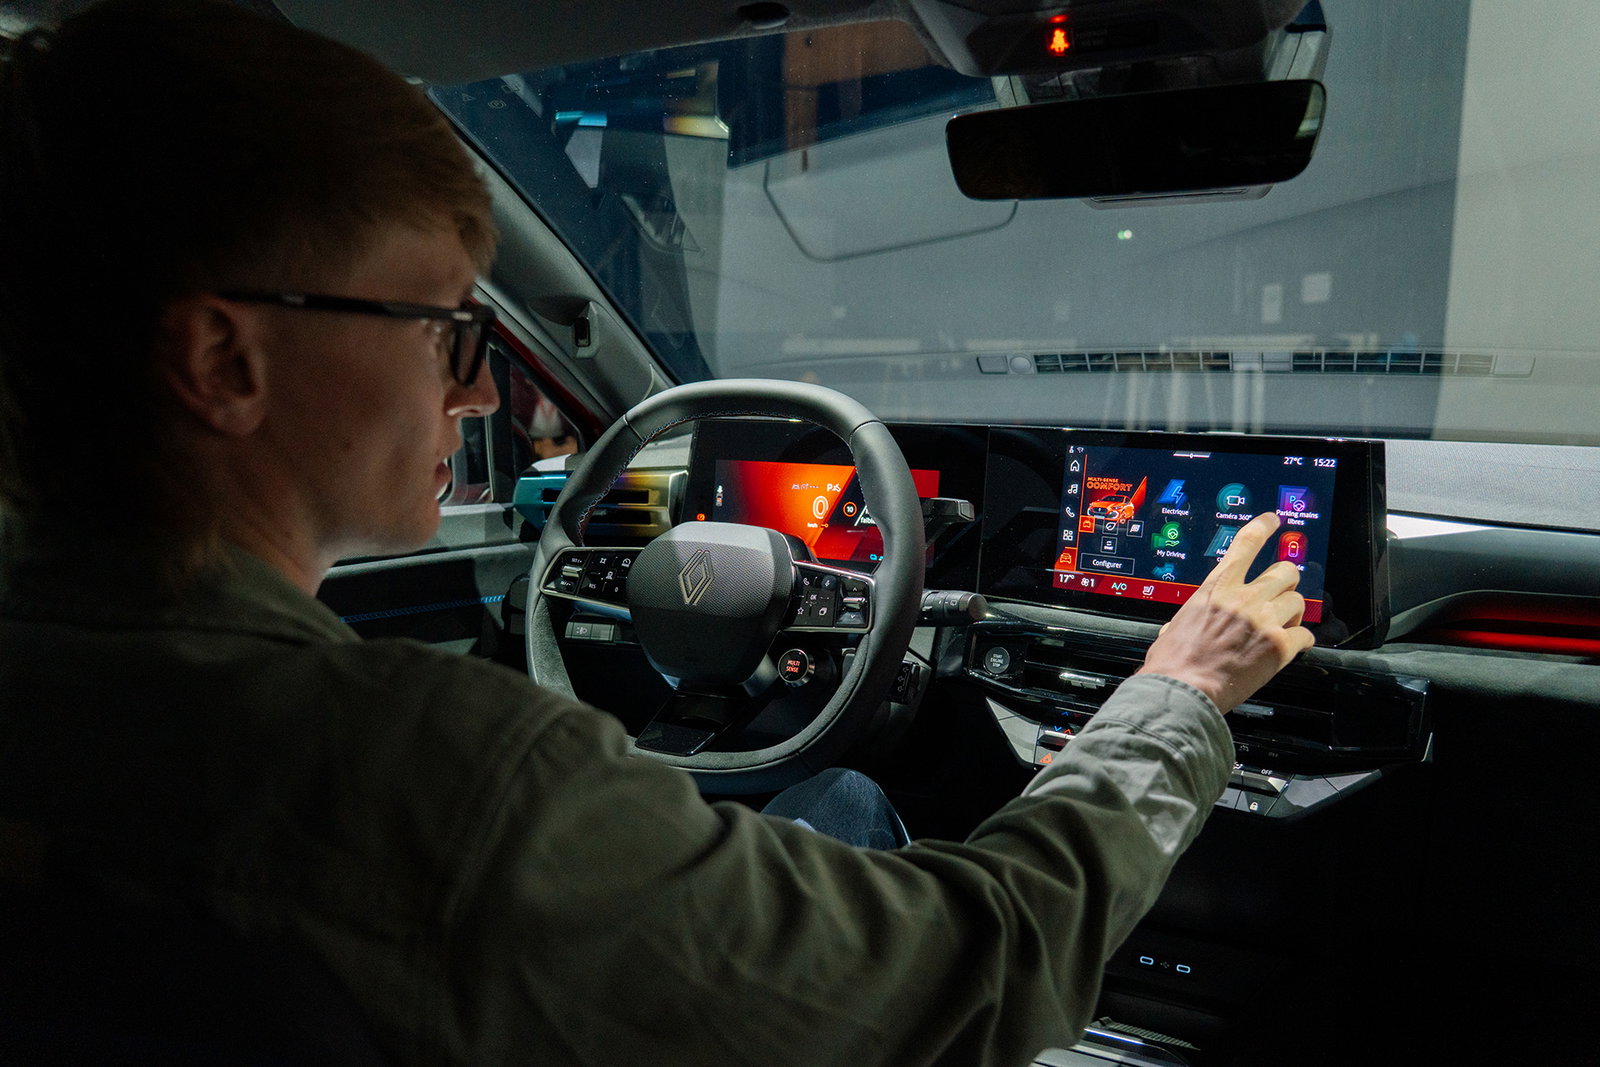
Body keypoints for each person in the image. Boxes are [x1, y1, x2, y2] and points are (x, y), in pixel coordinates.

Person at [0, 2, 1314, 1064]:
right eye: (448, 331)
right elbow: (972, 970)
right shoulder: (433, 778)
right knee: (846, 812)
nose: (477, 394)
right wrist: (1178, 695)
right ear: (223, 362)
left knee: (836, 803)